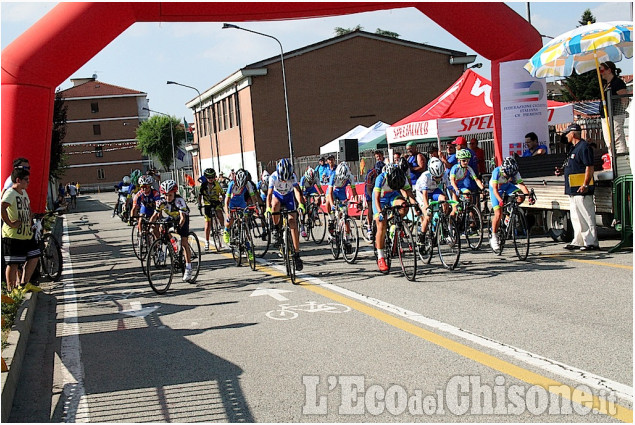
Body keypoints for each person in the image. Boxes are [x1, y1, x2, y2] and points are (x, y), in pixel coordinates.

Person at [555, 123, 599, 251]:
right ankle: (578, 240)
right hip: (572, 188)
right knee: (575, 216)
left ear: (573, 133)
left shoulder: (584, 147)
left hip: (581, 188)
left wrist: (585, 184)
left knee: (586, 215)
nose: (566, 136)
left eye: (567, 134)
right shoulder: (572, 148)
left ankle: (591, 242)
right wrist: (562, 171)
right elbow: (573, 165)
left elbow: (589, 167)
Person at [1, 167, 40, 291]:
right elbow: (2, 207)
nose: (28, 182)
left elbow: (28, 208)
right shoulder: (10, 193)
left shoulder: (23, 192)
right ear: (18, 180)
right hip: (13, 235)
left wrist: (30, 219)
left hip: (26, 233)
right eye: (26, 180)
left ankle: (24, 283)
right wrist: (10, 223)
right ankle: (11, 290)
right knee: (13, 263)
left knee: (34, 256)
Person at [373, 164, 417, 272]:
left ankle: (394, 224)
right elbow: (376, 199)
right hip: (381, 200)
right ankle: (381, 257)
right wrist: (380, 213)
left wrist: (416, 207)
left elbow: (410, 194)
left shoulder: (402, 177)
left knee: (404, 206)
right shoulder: (381, 178)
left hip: (393, 196)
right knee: (381, 224)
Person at [150, 179, 194, 282]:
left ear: (174, 193)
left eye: (170, 195)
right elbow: (155, 215)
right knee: (162, 228)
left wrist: (179, 227)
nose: (167, 198)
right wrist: (150, 225)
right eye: (165, 195)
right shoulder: (161, 201)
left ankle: (188, 268)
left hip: (182, 218)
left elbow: (182, 218)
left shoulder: (179, 201)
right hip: (171, 217)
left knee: (184, 242)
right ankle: (172, 244)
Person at [266, 158, 306, 271]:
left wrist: (301, 204)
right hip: (277, 196)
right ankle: (275, 229)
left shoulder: (292, 176)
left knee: (293, 221)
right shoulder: (273, 177)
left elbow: (297, 192)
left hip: (288, 197)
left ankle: (297, 254)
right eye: (282, 179)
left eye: (286, 179)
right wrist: (268, 209)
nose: (284, 181)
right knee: (275, 205)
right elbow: (269, 195)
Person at [489, 157, 534, 251]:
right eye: (507, 174)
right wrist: (499, 200)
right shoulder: (496, 172)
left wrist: (529, 195)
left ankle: (510, 212)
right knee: (498, 213)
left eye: (511, 175)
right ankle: (494, 236)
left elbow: (521, 185)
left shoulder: (514, 171)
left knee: (521, 196)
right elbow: (495, 190)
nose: (509, 176)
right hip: (496, 189)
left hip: (507, 186)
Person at [414, 157, 452, 243]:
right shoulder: (425, 176)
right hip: (422, 192)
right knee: (428, 216)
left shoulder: (445, 174)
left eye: (440, 176)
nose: (438, 179)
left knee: (444, 199)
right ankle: (422, 237)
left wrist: (454, 203)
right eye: (436, 177)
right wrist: (427, 207)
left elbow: (450, 189)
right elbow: (424, 194)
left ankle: (443, 221)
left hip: (434, 190)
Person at [223, 168, 260, 247]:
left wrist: (256, 208)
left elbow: (253, 197)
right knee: (231, 219)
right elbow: (226, 201)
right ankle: (226, 231)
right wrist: (227, 214)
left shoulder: (248, 184)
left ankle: (247, 240)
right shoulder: (231, 184)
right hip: (232, 202)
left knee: (245, 221)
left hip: (242, 202)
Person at [325, 162, 357, 250]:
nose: (343, 180)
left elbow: (354, 191)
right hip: (333, 191)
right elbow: (330, 192)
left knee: (345, 215)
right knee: (328, 200)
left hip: (342, 193)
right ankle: (331, 218)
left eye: (344, 180)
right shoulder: (333, 176)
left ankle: (347, 238)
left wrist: (357, 202)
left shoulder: (350, 177)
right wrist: (332, 204)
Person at [599, 61, 628, 155]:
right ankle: (613, 162)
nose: (600, 72)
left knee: (617, 139)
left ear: (609, 70)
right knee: (609, 142)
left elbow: (624, 98)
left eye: (602, 70)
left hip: (615, 115)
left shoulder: (617, 82)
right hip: (606, 116)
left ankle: (622, 162)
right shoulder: (606, 84)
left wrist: (623, 110)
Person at [197, 168, 224, 251]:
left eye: (212, 177)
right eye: (209, 177)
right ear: (206, 178)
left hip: (215, 202)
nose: (211, 179)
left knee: (219, 213)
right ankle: (207, 241)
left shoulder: (217, 184)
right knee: (208, 224)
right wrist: (199, 204)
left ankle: (222, 228)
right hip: (207, 204)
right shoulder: (203, 186)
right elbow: (199, 195)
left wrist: (222, 200)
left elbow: (222, 193)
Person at [131, 175, 160, 239]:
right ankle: (141, 235)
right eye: (142, 187)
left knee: (155, 229)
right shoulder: (138, 195)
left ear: (150, 186)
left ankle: (158, 244)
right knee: (141, 219)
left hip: (154, 210)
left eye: (146, 187)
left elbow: (159, 206)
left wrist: (158, 216)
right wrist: (132, 217)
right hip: (145, 209)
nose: (144, 189)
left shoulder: (155, 193)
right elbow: (134, 208)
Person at [299, 167, 324, 238]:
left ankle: (314, 212)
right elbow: (300, 192)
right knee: (303, 208)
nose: (310, 182)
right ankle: (302, 227)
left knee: (318, 198)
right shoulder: (303, 179)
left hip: (312, 189)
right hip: (304, 190)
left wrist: (322, 196)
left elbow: (320, 189)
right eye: (309, 181)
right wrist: (303, 197)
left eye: (311, 181)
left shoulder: (316, 178)